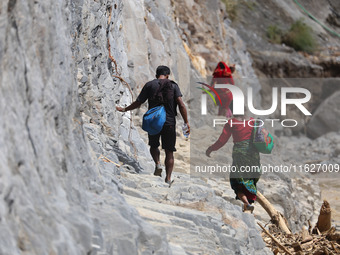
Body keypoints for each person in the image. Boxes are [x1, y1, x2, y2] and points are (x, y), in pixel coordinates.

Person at [116, 65, 190, 185]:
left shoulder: (150, 85)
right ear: (168, 75)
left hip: (154, 121)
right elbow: (181, 105)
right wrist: (186, 122)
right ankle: (168, 179)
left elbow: (138, 102)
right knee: (169, 151)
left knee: (154, 145)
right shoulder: (173, 85)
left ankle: (157, 164)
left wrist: (124, 109)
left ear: (156, 75)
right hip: (169, 122)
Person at [205, 115, 261, 213]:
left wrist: (211, 149)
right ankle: (248, 205)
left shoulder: (232, 123)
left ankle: (247, 204)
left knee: (237, 182)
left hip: (239, 154)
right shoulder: (252, 121)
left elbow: (222, 140)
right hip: (253, 154)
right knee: (250, 179)